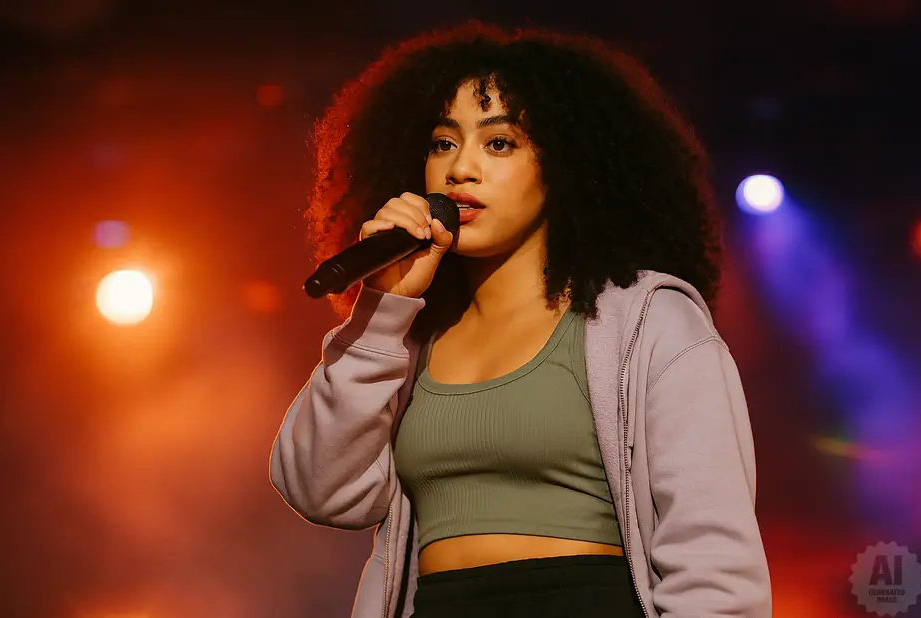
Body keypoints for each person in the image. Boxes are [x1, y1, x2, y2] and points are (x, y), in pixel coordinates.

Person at [270, 22, 772, 618]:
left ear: (565, 164)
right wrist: (380, 312)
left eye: (499, 143)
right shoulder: (410, 338)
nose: (461, 169)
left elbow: (715, 570)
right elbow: (317, 489)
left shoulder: (649, 323)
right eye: (441, 142)